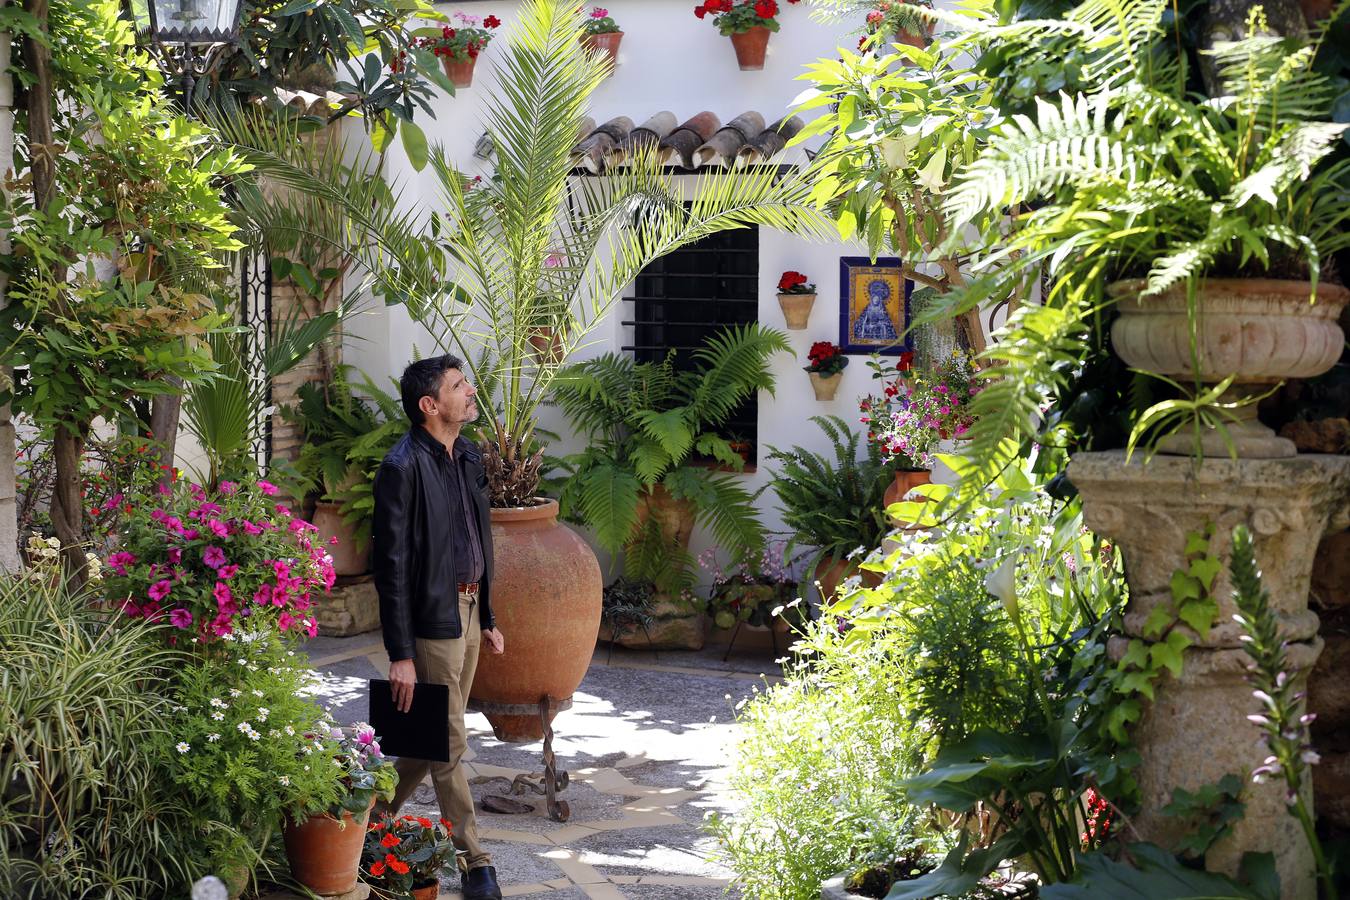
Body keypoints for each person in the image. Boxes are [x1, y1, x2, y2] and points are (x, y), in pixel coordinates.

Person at [372, 354, 506, 900]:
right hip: (432, 623)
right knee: (450, 739)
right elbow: (393, 565)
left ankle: (367, 817)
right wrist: (400, 652)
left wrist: (489, 614)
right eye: (457, 386)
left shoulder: (467, 454)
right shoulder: (401, 467)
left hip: (470, 614)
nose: (470, 390)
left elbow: (478, 538)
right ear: (430, 406)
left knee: (430, 740)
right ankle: (476, 863)